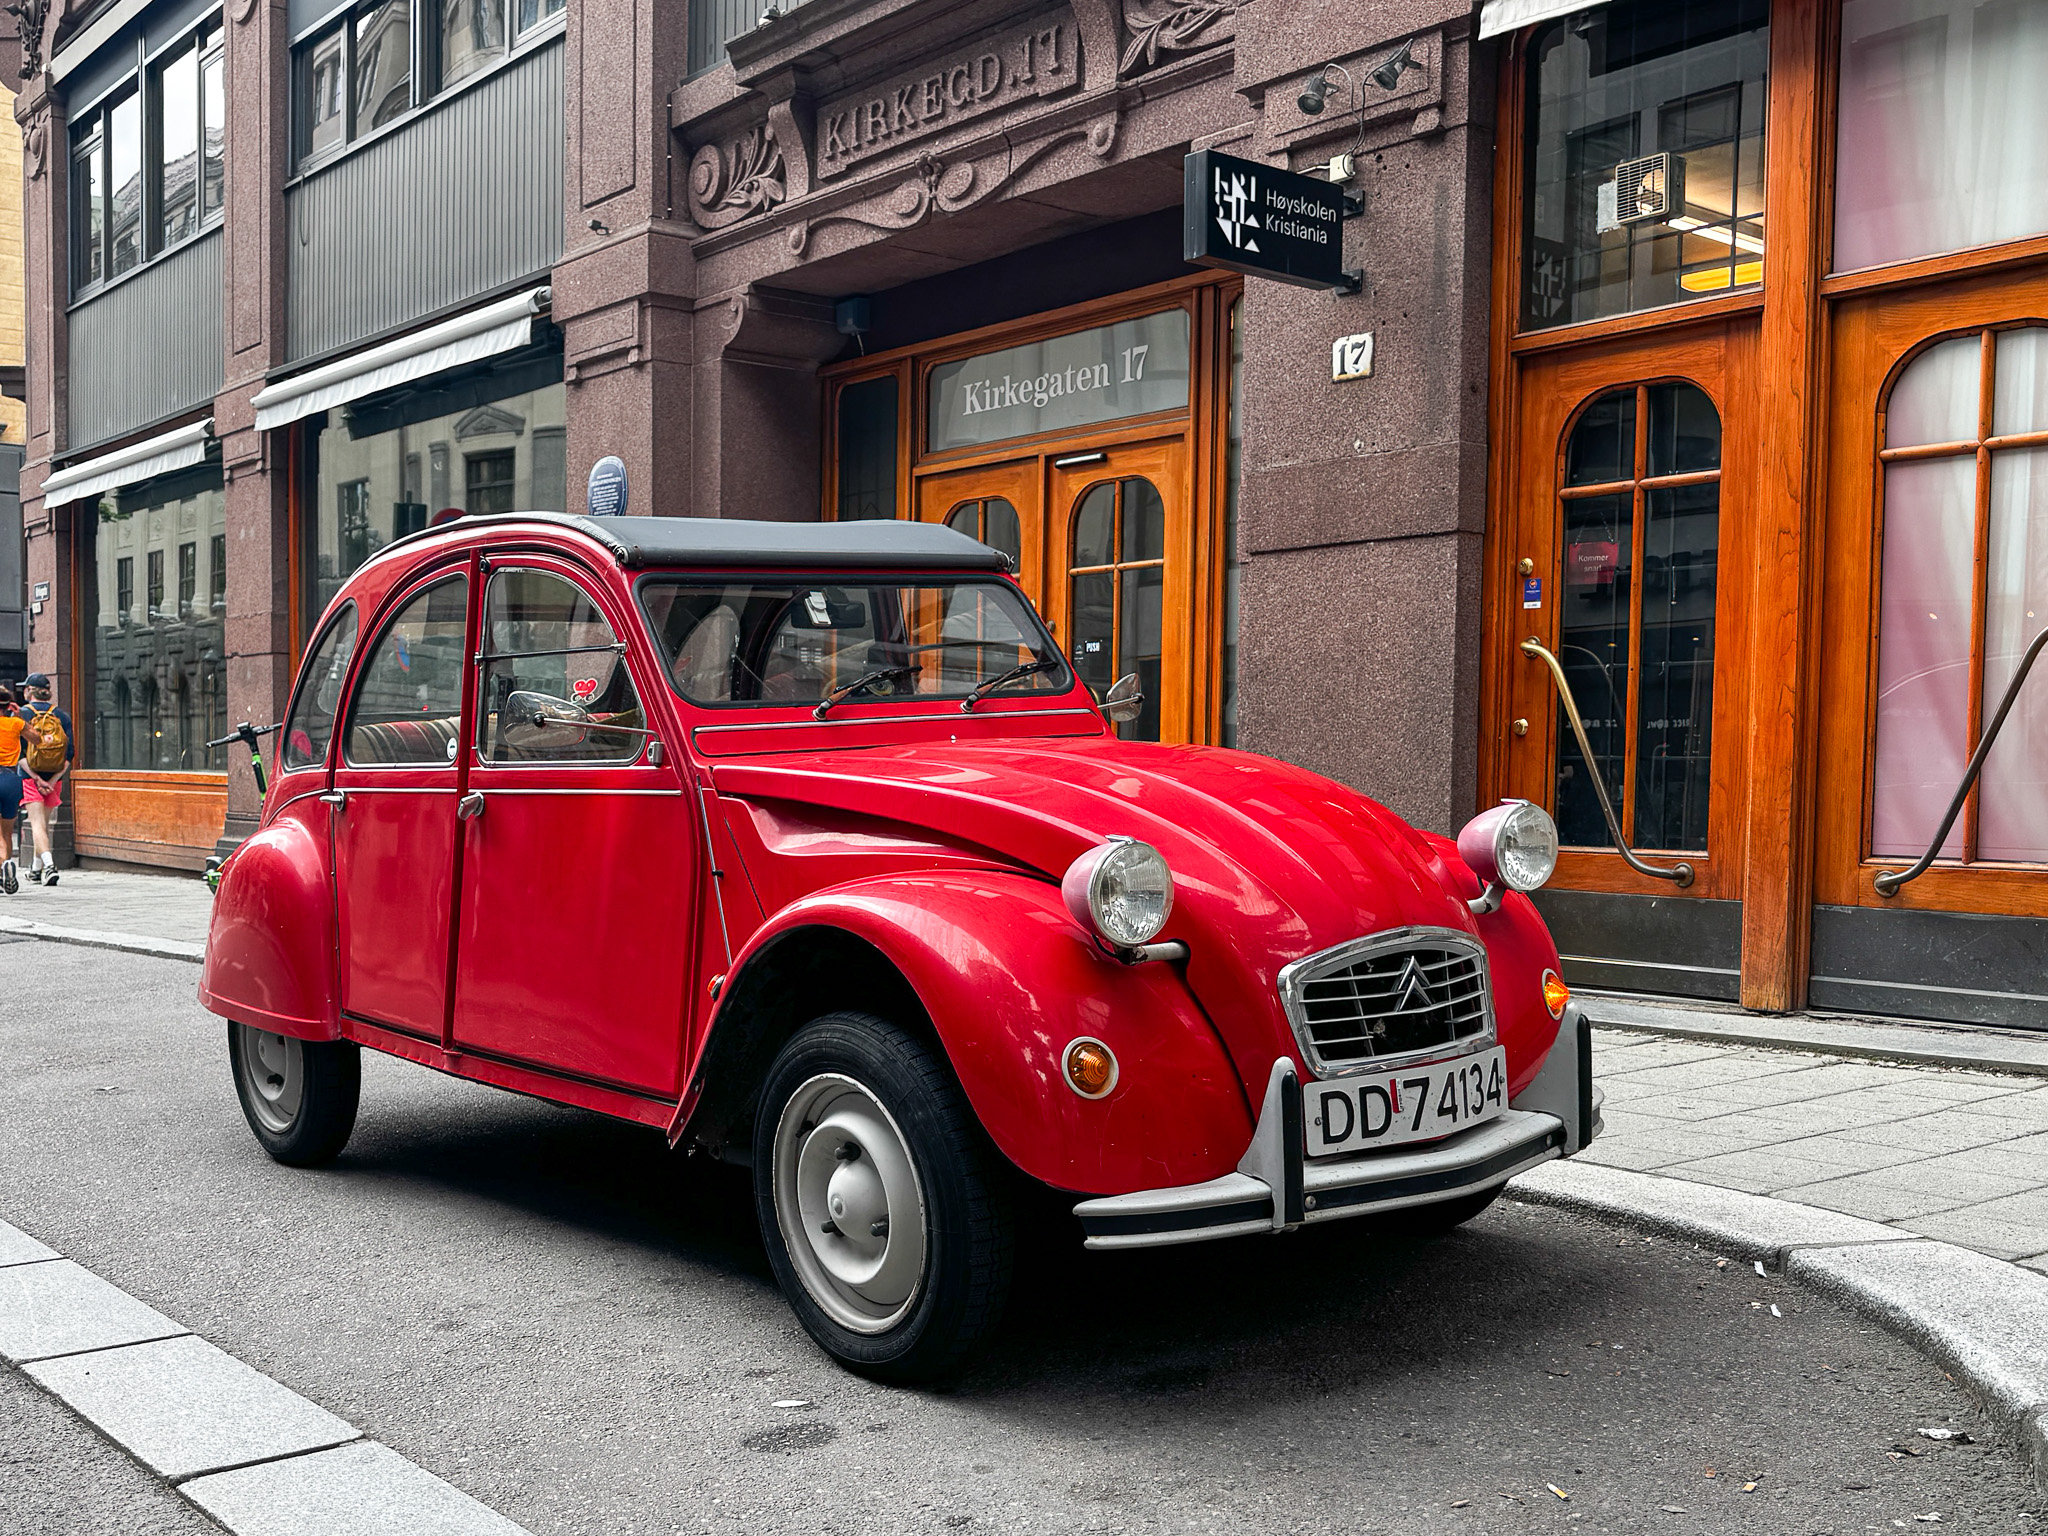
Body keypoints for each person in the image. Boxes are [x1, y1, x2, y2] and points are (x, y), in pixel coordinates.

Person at [18, 674, 72, 887]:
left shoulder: (22, 714)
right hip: (54, 778)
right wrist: (51, 780)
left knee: (36, 824)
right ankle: (35, 869)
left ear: (29, 691)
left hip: (30, 777)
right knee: (44, 824)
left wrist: (36, 778)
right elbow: (69, 754)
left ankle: (49, 866)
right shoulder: (61, 715)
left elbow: (20, 754)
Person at [0, 686, 23, 894]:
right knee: (7, 832)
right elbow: (37, 739)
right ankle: (6, 862)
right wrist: (19, 716)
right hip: (10, 778)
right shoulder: (16, 723)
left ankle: (1, 868)